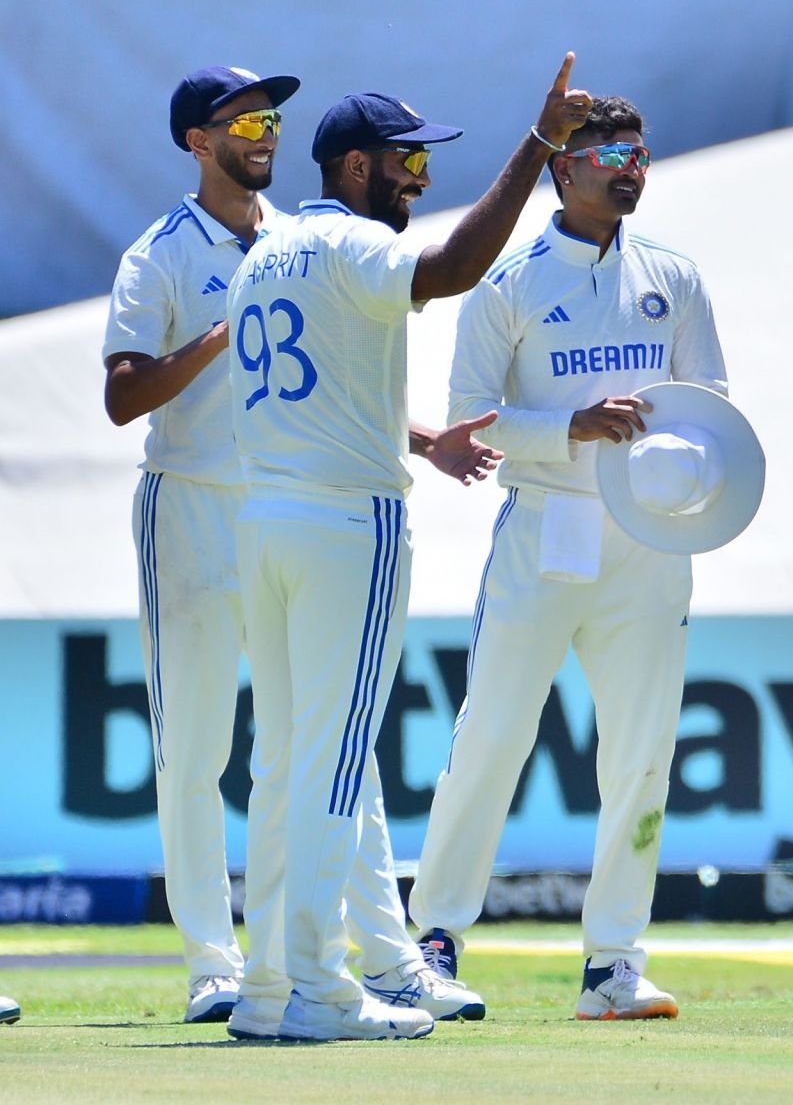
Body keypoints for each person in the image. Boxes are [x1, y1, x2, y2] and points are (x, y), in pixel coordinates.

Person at [102, 66, 485, 1031]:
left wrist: (421, 437)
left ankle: (385, 960)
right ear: (198, 141)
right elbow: (120, 396)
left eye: (273, 116)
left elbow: (325, 386)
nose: (265, 133)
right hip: (192, 502)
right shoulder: (158, 253)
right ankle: (215, 965)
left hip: (283, 499)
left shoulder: (296, 237)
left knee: (321, 743)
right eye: (245, 119)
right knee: (196, 746)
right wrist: (214, 342)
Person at [226, 56, 592, 1042]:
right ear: (352, 167)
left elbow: (324, 391)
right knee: (334, 761)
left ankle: (267, 986)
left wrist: (423, 437)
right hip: (346, 524)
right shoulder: (348, 246)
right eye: (406, 165)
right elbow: (456, 269)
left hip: (263, 519)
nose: (419, 182)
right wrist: (542, 142)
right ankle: (317, 988)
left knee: (287, 759)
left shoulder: (268, 251)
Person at [407, 95, 729, 1023]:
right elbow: (472, 421)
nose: (630, 165)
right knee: (492, 737)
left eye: (640, 150)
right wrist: (571, 426)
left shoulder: (676, 275)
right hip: (544, 526)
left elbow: (711, 406)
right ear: (563, 167)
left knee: (642, 754)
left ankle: (614, 964)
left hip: (649, 538)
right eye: (610, 151)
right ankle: (434, 940)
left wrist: (681, 475)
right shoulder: (508, 284)